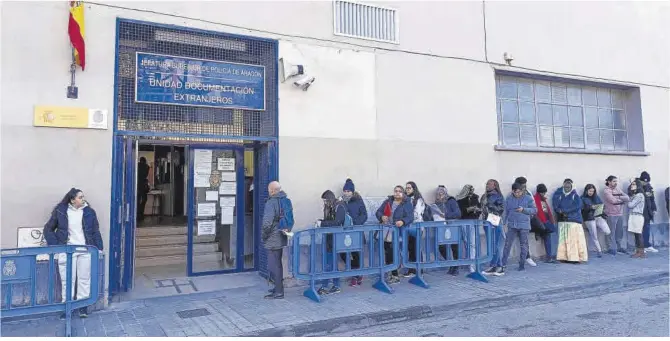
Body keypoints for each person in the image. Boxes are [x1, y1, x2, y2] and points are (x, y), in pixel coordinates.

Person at [43, 188, 103, 318]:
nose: (83, 199)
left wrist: (99, 249)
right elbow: (48, 229)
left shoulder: (89, 212)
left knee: (84, 279)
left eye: (83, 197)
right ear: (72, 199)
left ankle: (83, 306)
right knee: (67, 280)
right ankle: (67, 307)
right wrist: (57, 245)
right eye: (80, 197)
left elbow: (95, 231)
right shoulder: (61, 211)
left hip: (85, 250)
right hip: (67, 250)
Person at [375, 185, 414, 284]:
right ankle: (392, 273)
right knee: (388, 252)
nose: (397, 193)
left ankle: (395, 275)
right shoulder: (388, 201)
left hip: (399, 231)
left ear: (403, 193)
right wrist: (382, 216)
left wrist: (403, 221)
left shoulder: (407, 203)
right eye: (395, 191)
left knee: (396, 252)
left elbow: (410, 217)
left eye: (399, 191)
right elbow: (378, 212)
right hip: (386, 231)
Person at [261, 181, 292, 299]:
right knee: (277, 263)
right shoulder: (285, 200)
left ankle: (279, 292)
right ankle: (277, 288)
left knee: (274, 265)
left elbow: (267, 223)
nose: (269, 192)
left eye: (269, 190)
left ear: (273, 190)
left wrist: (264, 236)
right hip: (282, 234)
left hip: (273, 237)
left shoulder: (271, 202)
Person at [500, 183, 537, 272]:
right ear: (512, 191)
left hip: (524, 225)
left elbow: (534, 210)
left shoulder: (528, 198)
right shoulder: (509, 199)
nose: (518, 194)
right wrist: (503, 223)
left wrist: (523, 210)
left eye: (520, 192)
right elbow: (506, 212)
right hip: (512, 225)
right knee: (507, 245)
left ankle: (522, 264)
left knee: (523, 245)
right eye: (516, 192)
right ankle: (503, 264)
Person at [317, 190, 347, 295]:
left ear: (330, 199)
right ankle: (327, 285)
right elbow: (330, 220)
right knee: (329, 262)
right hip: (329, 238)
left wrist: (322, 223)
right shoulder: (330, 207)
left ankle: (334, 285)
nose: (324, 202)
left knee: (331, 262)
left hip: (336, 238)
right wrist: (321, 222)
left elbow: (337, 222)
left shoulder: (340, 207)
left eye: (325, 200)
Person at [553, 179, 588, 263]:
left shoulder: (575, 195)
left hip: (573, 220)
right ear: (563, 185)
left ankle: (574, 258)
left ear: (571, 186)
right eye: (565, 186)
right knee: (563, 240)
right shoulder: (559, 195)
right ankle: (564, 257)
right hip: (562, 220)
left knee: (573, 240)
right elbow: (555, 205)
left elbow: (578, 206)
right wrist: (559, 210)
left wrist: (565, 211)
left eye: (569, 186)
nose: (567, 187)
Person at [342, 179, 368, 286]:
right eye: (345, 191)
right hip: (343, 233)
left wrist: (355, 223)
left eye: (349, 191)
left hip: (356, 231)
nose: (347, 193)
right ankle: (355, 272)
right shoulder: (341, 201)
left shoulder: (358, 201)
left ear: (353, 192)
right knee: (343, 253)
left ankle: (356, 275)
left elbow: (364, 215)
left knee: (355, 254)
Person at [431, 185, 463, 275]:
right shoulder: (436, 203)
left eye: (441, 193)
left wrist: (445, 216)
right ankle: (451, 264)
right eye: (438, 193)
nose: (439, 195)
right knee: (441, 247)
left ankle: (456, 267)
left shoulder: (451, 201)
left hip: (452, 226)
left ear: (445, 193)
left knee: (454, 247)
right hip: (441, 228)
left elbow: (458, 213)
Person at [480, 179, 506, 276]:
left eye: (489, 184)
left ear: (495, 186)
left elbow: (501, 209)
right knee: (491, 245)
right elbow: (482, 208)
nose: (487, 185)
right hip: (486, 222)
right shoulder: (484, 196)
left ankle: (499, 266)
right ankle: (494, 266)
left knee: (495, 244)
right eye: (486, 184)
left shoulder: (498, 196)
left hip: (495, 221)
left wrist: (489, 205)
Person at [456, 184, 481, 273]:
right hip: (463, 222)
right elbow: (459, 212)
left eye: (472, 190)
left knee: (472, 244)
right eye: (469, 191)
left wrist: (477, 211)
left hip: (472, 222)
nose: (471, 192)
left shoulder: (475, 198)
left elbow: (479, 208)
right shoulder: (460, 199)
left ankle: (472, 266)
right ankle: (468, 263)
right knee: (466, 243)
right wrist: (468, 209)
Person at [581, 184, 611, 258]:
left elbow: (601, 204)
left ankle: (596, 226)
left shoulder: (596, 197)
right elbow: (582, 209)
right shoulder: (582, 198)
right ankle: (599, 251)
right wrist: (591, 207)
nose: (591, 192)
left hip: (598, 216)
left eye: (593, 191)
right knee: (594, 236)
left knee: (607, 231)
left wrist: (602, 207)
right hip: (589, 218)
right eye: (590, 191)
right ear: (586, 190)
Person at [404, 181, 426, 277]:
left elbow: (417, 214)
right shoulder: (406, 199)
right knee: (410, 248)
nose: (407, 190)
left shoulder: (418, 200)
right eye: (406, 188)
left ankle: (418, 270)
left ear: (414, 189)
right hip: (408, 226)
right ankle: (412, 269)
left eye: (409, 188)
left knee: (416, 248)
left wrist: (406, 217)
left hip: (416, 226)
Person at [603, 175, 630, 255]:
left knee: (619, 232)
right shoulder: (606, 191)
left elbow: (627, 198)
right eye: (614, 181)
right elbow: (612, 201)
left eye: (616, 181)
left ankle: (619, 247)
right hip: (611, 214)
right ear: (609, 182)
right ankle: (610, 248)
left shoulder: (617, 189)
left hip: (620, 213)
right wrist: (621, 200)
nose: (616, 183)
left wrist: (618, 197)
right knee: (611, 232)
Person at [514, 177, 538, 267]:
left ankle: (527, 257)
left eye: (525, 184)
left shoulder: (528, 192)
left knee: (524, 239)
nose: (524, 186)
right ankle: (524, 258)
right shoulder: (514, 194)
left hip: (527, 219)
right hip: (518, 219)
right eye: (522, 185)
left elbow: (533, 205)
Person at [533, 184, 558, 263]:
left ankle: (549, 256)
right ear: (539, 192)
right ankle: (550, 256)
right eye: (542, 192)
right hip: (542, 222)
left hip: (546, 221)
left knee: (548, 238)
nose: (544, 194)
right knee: (552, 232)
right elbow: (538, 212)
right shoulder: (536, 199)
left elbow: (547, 211)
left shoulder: (542, 199)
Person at [639, 171, 658, 253]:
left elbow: (652, 199)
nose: (645, 183)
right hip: (639, 212)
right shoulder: (635, 186)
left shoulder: (649, 187)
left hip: (647, 212)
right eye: (644, 181)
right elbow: (631, 195)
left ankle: (647, 245)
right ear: (640, 180)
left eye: (647, 182)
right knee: (638, 229)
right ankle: (639, 246)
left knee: (646, 228)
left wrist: (654, 209)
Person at [627, 179, 647, 259]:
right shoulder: (635, 195)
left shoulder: (639, 195)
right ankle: (638, 251)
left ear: (638, 186)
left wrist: (628, 200)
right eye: (632, 184)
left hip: (637, 216)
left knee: (638, 234)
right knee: (636, 234)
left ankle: (641, 252)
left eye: (634, 184)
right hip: (634, 216)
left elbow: (630, 205)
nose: (632, 185)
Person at [136, 157, 150, 221]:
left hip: (137, 186)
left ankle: (137, 215)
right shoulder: (147, 166)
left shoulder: (137, 166)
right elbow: (146, 175)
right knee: (144, 200)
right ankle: (141, 215)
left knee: (137, 200)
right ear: (145, 161)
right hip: (143, 186)